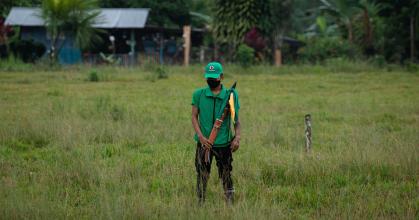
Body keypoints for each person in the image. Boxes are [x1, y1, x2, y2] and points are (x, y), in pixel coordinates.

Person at [191, 61, 241, 205]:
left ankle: (230, 204)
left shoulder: (230, 95)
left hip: (224, 144)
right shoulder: (198, 94)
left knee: (226, 174)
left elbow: (236, 121)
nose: (211, 80)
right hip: (203, 143)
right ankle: (200, 203)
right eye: (209, 77)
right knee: (202, 174)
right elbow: (194, 116)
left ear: (221, 77)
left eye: (214, 77)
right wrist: (200, 137)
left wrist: (237, 138)